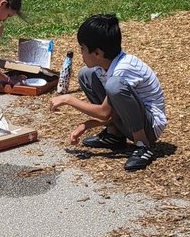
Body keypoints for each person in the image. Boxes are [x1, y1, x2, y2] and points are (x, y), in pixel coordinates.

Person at [50, 13, 166, 171]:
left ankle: (143, 146)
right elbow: (112, 113)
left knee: (114, 85)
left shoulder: (123, 69)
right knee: (86, 74)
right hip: (129, 119)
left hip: (149, 128)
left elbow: (106, 113)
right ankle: (114, 135)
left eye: (82, 49)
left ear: (97, 53)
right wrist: (86, 125)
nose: (81, 54)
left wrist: (69, 100)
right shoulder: (106, 63)